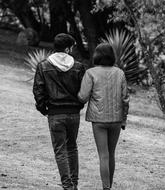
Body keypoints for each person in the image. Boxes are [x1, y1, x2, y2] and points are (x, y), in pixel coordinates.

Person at [33, 33, 85, 190]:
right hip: (74, 114)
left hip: (55, 113)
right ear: (68, 48)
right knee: (72, 147)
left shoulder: (43, 66)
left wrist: (44, 109)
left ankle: (67, 186)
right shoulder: (78, 66)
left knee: (60, 150)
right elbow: (83, 91)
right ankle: (74, 183)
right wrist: (78, 106)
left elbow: (38, 91)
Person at [78, 43, 129, 190]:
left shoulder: (91, 73)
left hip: (99, 120)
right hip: (117, 120)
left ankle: (106, 187)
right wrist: (124, 119)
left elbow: (82, 97)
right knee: (111, 154)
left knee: (103, 155)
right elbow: (125, 99)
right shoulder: (120, 73)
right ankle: (109, 187)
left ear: (97, 55)